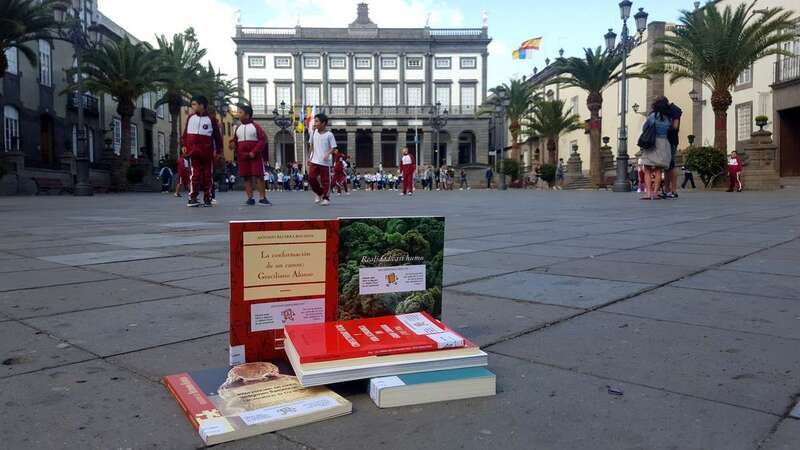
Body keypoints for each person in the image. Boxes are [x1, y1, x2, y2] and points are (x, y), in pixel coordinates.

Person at [182, 95, 223, 207]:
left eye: (194, 104)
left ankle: (207, 198)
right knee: (194, 175)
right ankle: (192, 198)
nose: (192, 107)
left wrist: (219, 151)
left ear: (202, 105)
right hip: (193, 152)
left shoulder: (211, 119)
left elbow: (217, 137)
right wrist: (184, 145)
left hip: (207, 153)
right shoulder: (190, 118)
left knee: (207, 176)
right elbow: (185, 134)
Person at [231, 105, 271, 206]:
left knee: (259, 176)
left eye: (240, 112)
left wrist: (254, 151)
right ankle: (250, 198)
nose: (238, 114)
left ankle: (262, 198)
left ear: (247, 115)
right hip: (242, 157)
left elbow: (262, 140)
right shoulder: (238, 127)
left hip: (255, 156)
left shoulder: (256, 126)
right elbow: (235, 140)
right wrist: (232, 144)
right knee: (246, 177)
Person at [639, 97, 675, 200]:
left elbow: (644, 128)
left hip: (652, 143)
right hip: (664, 143)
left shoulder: (652, 117)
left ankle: (648, 193)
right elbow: (671, 129)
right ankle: (655, 193)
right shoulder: (669, 118)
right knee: (659, 169)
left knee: (647, 169)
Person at [308, 113, 336, 205]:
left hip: (325, 162)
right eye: (314, 121)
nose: (315, 123)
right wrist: (309, 157)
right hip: (314, 160)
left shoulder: (329, 135)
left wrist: (328, 153)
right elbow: (311, 146)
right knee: (311, 178)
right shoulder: (313, 133)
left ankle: (326, 198)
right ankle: (320, 193)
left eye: (317, 121)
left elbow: (333, 147)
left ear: (323, 123)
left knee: (325, 181)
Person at [664, 102, 683, 199]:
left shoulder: (673, 111)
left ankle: (672, 190)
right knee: (668, 166)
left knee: (670, 165)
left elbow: (675, 126)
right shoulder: (674, 110)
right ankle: (668, 190)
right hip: (672, 140)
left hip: (670, 141)